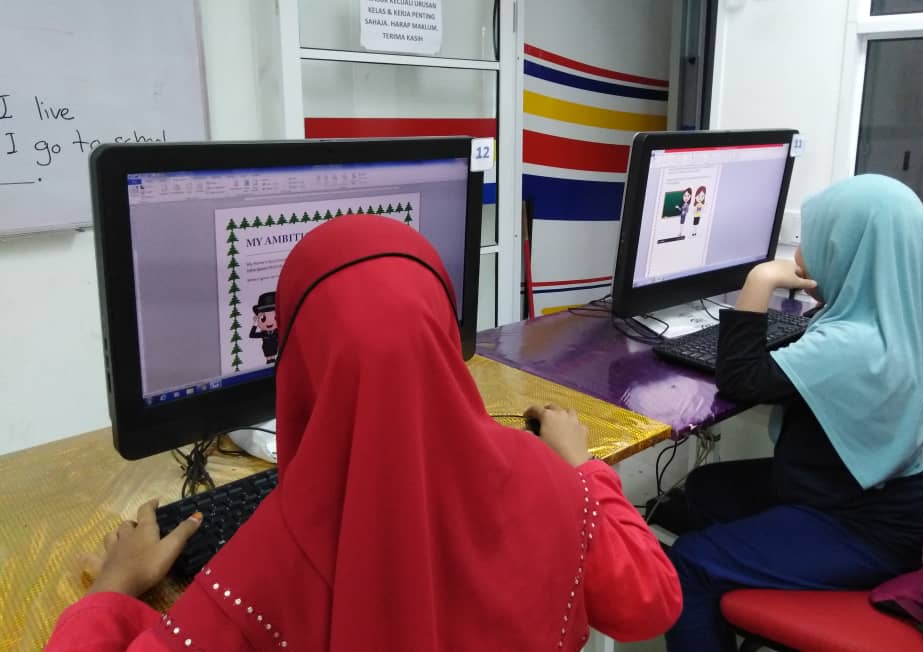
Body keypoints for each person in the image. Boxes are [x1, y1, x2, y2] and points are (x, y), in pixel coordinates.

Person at [46, 215, 681, 651]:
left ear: (299, 358)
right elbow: (649, 604)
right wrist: (585, 473)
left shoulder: (272, 558)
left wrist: (110, 591)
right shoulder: (551, 482)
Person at [665, 174, 923, 652]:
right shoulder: (903, 321)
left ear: (852, 252)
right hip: (874, 498)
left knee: (688, 562)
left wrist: (759, 279)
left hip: (866, 529)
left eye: (818, 240)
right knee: (705, 489)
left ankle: (711, 583)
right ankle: (731, 592)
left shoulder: (850, 344)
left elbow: (741, 378)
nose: (801, 253)